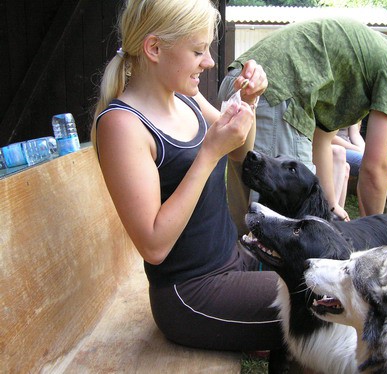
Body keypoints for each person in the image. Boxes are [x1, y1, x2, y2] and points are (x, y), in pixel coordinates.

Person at [89, 0, 286, 364]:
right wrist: (209, 154)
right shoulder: (122, 125)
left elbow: (241, 150)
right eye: (198, 50)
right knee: (321, 300)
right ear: (154, 48)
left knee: (327, 272)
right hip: (192, 295)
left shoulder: (187, 98)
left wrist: (248, 104)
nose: (209, 61)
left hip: (235, 258)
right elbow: (153, 246)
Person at [219, 17, 387, 234]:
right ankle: (262, 272)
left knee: (247, 204)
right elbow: (376, 166)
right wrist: (374, 234)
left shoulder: (366, 55)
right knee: (285, 218)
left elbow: (322, 139)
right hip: (275, 93)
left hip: (244, 80)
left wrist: (330, 205)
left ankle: (242, 267)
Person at [333, 124, 387, 225]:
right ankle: (368, 220)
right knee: (372, 164)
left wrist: (364, 148)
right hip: (340, 148)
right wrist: (358, 150)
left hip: (355, 147)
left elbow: (355, 134)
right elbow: (328, 136)